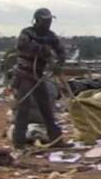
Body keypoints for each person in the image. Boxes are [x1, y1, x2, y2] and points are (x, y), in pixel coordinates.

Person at [12, 8, 66, 148]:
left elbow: (60, 50)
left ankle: (56, 139)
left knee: (46, 107)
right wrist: (44, 51)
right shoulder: (27, 33)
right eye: (44, 21)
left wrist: (59, 62)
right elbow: (23, 45)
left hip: (38, 76)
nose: (47, 24)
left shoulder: (51, 36)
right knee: (23, 108)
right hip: (24, 74)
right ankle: (19, 141)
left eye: (49, 21)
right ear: (37, 21)